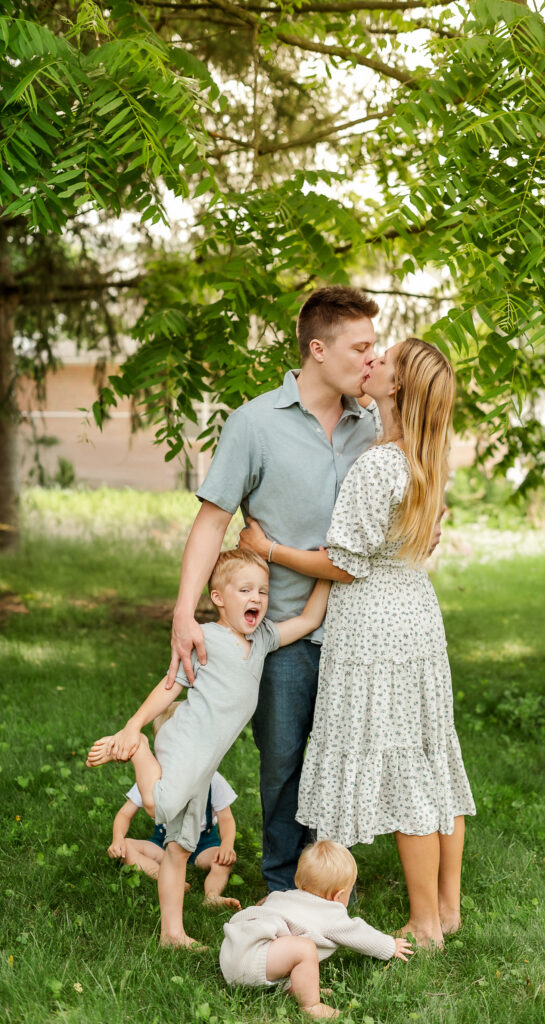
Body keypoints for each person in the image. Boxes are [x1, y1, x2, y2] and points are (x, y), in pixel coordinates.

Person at [238, 339, 476, 948]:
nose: (371, 364)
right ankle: (447, 906)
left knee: (402, 768)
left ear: (398, 388)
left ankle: (425, 926)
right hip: (416, 615)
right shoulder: (421, 456)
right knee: (429, 755)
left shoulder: (378, 464)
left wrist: (265, 548)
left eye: (384, 362)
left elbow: (343, 565)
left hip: (376, 625)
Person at [167, 286, 380, 893]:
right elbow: (212, 520)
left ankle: (333, 884)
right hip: (280, 630)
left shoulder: (376, 425)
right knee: (284, 763)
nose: (371, 358)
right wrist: (185, 613)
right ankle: (284, 888)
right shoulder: (255, 423)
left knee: (345, 763)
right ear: (318, 349)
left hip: (361, 629)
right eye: (360, 346)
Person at [87, 548, 330, 948]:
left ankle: (172, 933)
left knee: (179, 849)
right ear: (218, 597)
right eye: (245, 589)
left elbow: (309, 620)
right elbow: (171, 685)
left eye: (263, 592)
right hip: (184, 744)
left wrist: (327, 572)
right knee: (157, 807)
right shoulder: (205, 638)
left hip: (205, 763)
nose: (257, 598)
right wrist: (135, 726)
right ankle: (139, 749)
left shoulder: (264, 637)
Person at [219, 840, 413, 1019]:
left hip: (232, 953)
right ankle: (311, 1005)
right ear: (339, 895)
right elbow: (360, 934)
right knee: (304, 949)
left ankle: (295, 986)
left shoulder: (281, 895)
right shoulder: (331, 914)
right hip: (254, 960)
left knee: (292, 946)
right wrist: (389, 945)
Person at [108, 701, 242, 909]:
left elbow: (226, 819)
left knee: (222, 861)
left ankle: (212, 895)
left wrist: (227, 846)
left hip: (203, 845)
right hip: (163, 844)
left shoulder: (211, 778)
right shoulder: (151, 779)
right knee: (126, 847)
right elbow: (125, 815)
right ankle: (167, 877)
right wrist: (117, 839)